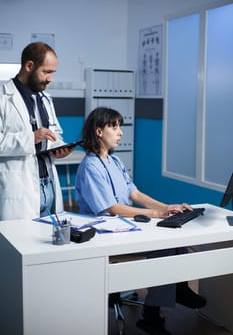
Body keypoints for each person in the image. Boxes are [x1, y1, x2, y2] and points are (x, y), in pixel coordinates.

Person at [75, 107, 206, 335]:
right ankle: (152, 315)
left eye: (120, 127)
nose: (120, 133)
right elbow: (111, 208)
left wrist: (166, 207)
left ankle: (179, 287)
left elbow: (134, 194)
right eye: (114, 127)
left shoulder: (115, 161)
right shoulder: (90, 166)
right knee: (162, 249)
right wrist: (156, 214)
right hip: (104, 231)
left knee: (173, 234)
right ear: (98, 131)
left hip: (124, 225)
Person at [0, 42, 74, 220]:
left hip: (47, 184)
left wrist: (59, 148)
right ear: (29, 66)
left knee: (48, 242)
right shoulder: (3, 97)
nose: (50, 79)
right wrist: (30, 138)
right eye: (46, 72)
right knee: (20, 243)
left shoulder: (45, 99)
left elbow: (54, 134)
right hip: (19, 188)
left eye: (52, 73)